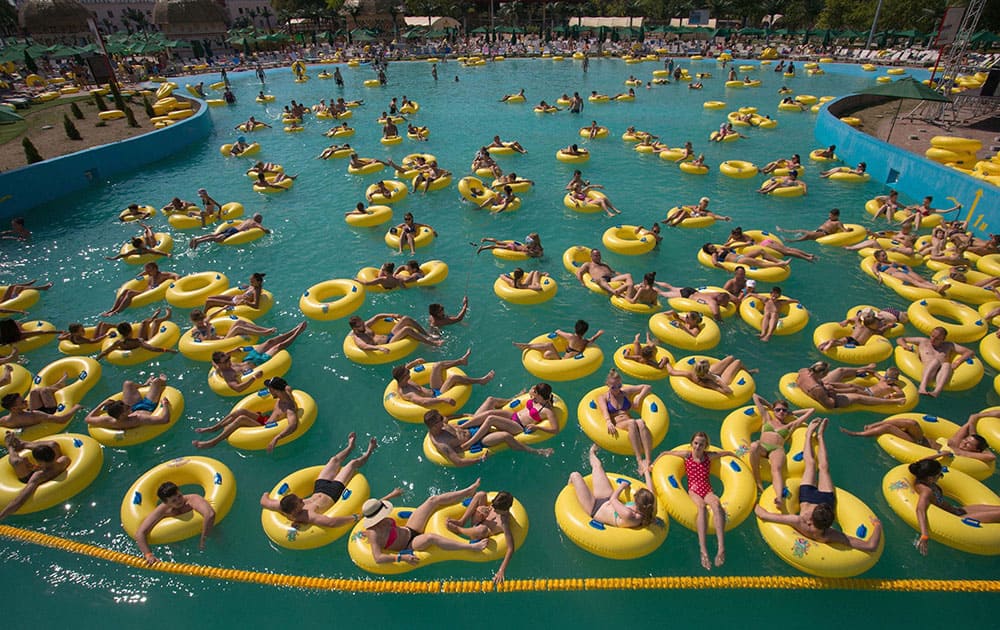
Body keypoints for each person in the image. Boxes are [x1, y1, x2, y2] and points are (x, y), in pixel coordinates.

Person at [754, 419, 883, 551]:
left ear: (812, 522)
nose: (806, 517)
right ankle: (818, 436)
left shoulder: (800, 522)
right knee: (823, 467)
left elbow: (764, 514)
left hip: (808, 497)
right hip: (826, 499)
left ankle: (810, 434)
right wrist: (877, 525)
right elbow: (870, 546)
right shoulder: (830, 535)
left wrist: (754, 500)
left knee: (810, 463)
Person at [260, 432, 376, 530]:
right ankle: (369, 451)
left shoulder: (282, 506)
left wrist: (266, 493)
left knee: (334, 460)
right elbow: (331, 523)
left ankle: (350, 447)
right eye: (299, 502)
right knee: (352, 464)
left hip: (319, 487)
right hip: (333, 492)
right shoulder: (308, 515)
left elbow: (264, 501)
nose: (302, 499)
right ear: (295, 510)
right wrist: (355, 517)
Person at [656, 432, 739, 569]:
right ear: (691, 443)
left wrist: (735, 456)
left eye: (701, 444)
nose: (698, 446)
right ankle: (703, 550)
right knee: (701, 507)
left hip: (707, 489)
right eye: (695, 443)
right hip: (694, 490)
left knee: (716, 504)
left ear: (705, 446)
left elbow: (725, 453)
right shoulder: (687, 455)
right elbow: (665, 453)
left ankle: (721, 547)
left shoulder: (709, 456)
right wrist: (652, 465)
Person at [360, 479, 489, 566]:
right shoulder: (373, 534)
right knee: (431, 538)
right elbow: (378, 558)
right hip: (409, 544)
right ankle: (470, 547)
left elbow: (376, 505)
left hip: (409, 529)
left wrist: (391, 495)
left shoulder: (377, 515)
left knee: (432, 500)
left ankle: (468, 491)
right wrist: (400, 558)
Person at [908, 456, 1000, 555]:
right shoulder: (926, 491)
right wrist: (924, 535)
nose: (941, 476)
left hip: (957, 510)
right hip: (957, 518)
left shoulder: (923, 478)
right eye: (939, 474)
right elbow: (920, 510)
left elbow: (920, 462)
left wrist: (940, 454)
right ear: (930, 478)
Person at [842, 411, 995, 465]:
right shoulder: (955, 442)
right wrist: (975, 432)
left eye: (968, 444)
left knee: (889, 429)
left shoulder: (964, 453)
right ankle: (874, 424)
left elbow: (990, 456)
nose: (964, 442)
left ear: (976, 450)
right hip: (921, 439)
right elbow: (972, 418)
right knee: (912, 422)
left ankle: (858, 434)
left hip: (918, 447)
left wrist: (975, 449)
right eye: (966, 440)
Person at [193, 376, 298, 453]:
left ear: (275, 390)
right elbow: (287, 386)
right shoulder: (286, 390)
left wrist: (277, 438)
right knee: (240, 411)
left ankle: (213, 442)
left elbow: (293, 425)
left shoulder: (288, 408)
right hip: (266, 420)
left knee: (241, 418)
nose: (268, 391)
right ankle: (214, 428)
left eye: (270, 389)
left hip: (266, 428)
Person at [747, 394, 814, 508]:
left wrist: (793, 413)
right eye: (778, 410)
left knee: (776, 470)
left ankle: (779, 498)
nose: (781, 412)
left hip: (777, 450)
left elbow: (811, 410)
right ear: (774, 410)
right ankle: (758, 481)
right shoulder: (767, 418)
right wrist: (769, 405)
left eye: (784, 410)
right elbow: (755, 396)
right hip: (762, 446)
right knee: (754, 446)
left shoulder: (790, 425)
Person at [570, 444, 657, 530]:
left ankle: (568, 491)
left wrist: (622, 486)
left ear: (638, 503)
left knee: (575, 475)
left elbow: (613, 499)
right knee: (597, 466)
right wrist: (645, 470)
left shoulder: (630, 515)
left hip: (595, 508)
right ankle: (591, 453)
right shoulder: (648, 507)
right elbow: (650, 489)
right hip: (606, 499)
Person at [133, 481, 216, 564]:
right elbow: (140, 533)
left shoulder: (193, 500)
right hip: (178, 541)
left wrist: (204, 539)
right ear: (166, 503)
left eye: (179, 496)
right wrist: (148, 554)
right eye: (173, 501)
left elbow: (210, 515)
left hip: (204, 531)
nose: (179, 501)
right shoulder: (163, 510)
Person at [446, 490, 517, 584]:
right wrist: (483, 511)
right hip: (478, 522)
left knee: (482, 529)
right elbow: (489, 508)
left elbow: (510, 548)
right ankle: (461, 522)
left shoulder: (504, 523)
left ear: (504, 509)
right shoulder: (495, 506)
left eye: (496, 508)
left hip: (478, 534)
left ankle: (458, 529)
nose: (493, 508)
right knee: (481, 494)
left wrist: (501, 570)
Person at [0, 433, 71, 521]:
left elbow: (20, 500)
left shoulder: (39, 476)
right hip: (49, 468)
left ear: (40, 462)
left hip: (30, 478)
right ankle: (23, 444)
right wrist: (39, 467)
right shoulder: (64, 460)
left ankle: (10, 447)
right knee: (53, 444)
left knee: (16, 462)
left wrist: (1, 515)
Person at [598, 369, 655, 474]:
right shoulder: (604, 397)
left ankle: (648, 459)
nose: (617, 389)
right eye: (613, 387)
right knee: (633, 422)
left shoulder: (625, 392)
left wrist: (639, 398)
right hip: (619, 424)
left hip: (629, 421)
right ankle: (639, 461)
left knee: (641, 422)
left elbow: (647, 387)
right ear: (607, 385)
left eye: (619, 386)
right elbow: (604, 411)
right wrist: (608, 421)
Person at [392, 350, 495, 408]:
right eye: (407, 375)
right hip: (436, 398)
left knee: (437, 365)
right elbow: (423, 402)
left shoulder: (401, 379)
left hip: (433, 391)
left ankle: (461, 361)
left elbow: (406, 368)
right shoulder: (407, 393)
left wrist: (414, 362)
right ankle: (481, 381)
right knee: (453, 377)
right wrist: (444, 399)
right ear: (402, 378)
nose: (410, 375)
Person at [897, 327, 975, 397]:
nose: (933, 340)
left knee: (947, 364)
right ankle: (922, 387)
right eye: (932, 336)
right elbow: (900, 339)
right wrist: (905, 346)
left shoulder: (949, 345)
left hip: (942, 374)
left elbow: (969, 352)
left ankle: (936, 392)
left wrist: (958, 362)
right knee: (935, 361)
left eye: (937, 338)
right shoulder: (923, 341)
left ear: (943, 339)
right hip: (928, 371)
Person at [795, 361, 906, 408]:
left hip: (818, 384)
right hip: (824, 394)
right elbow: (830, 405)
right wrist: (832, 392)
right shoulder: (817, 389)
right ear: (822, 374)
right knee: (857, 396)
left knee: (840, 370)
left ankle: (865, 368)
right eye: (827, 372)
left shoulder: (804, 371)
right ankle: (892, 402)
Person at [84, 374, 172, 430]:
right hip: (147, 407)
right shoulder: (138, 419)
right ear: (122, 414)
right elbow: (164, 420)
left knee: (127, 384)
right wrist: (165, 405)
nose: (128, 406)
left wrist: (102, 404)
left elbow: (87, 419)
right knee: (157, 381)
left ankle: (145, 385)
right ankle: (163, 382)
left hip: (134, 410)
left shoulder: (109, 420)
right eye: (126, 407)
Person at [0, 373, 81, 430]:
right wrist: (76, 408)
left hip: (28, 415)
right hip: (48, 412)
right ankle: (59, 386)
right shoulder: (35, 415)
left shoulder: (5, 420)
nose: (26, 401)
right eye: (22, 402)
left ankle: (57, 386)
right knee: (44, 391)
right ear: (14, 408)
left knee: (34, 392)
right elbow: (62, 420)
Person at [95, 316, 178, 361]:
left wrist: (97, 358)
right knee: (155, 322)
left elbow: (105, 352)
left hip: (131, 346)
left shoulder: (118, 343)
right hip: (149, 341)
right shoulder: (138, 341)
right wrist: (168, 350)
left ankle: (153, 317)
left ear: (120, 333)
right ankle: (165, 316)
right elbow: (152, 348)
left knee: (144, 323)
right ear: (131, 331)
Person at [348, 313, 442, 352]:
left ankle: (427, 334)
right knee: (406, 329)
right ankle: (433, 343)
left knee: (406, 319)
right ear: (355, 328)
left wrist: (393, 315)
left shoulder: (365, 326)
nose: (363, 325)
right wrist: (379, 348)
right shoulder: (357, 338)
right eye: (360, 325)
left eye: (362, 322)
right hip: (388, 343)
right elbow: (364, 346)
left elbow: (377, 316)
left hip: (389, 336)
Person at [871, 249, 949, 296]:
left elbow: (904, 265)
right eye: (883, 256)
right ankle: (936, 288)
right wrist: (878, 275)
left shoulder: (892, 262)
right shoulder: (879, 263)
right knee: (915, 282)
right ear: (878, 258)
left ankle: (937, 287)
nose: (885, 257)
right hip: (896, 274)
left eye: (885, 255)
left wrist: (910, 271)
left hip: (903, 272)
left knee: (922, 280)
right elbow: (874, 268)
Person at [667, 356, 755, 396]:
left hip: (707, 375)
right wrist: (716, 378)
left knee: (731, 358)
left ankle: (746, 371)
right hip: (722, 380)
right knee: (738, 361)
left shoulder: (691, 374)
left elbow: (672, 372)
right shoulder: (709, 382)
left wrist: (666, 362)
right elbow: (729, 391)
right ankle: (749, 372)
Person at [513, 319, 603, 359]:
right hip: (569, 362)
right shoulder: (584, 342)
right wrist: (598, 334)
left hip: (562, 361)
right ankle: (527, 346)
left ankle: (527, 346)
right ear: (585, 332)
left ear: (575, 328)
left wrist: (559, 333)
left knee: (549, 345)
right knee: (548, 353)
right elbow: (592, 340)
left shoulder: (571, 337)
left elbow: (558, 331)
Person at [817, 307, 892, 352]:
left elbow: (856, 319)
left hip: (850, 338)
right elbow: (882, 330)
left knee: (840, 342)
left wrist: (858, 316)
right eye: (877, 324)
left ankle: (830, 342)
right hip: (856, 343)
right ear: (872, 325)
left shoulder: (859, 326)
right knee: (840, 344)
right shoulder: (873, 331)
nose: (878, 325)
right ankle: (832, 342)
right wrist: (888, 326)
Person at [724, 227, 816, 262]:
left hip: (765, 245)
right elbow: (730, 237)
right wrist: (730, 240)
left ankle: (807, 258)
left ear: (737, 235)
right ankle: (809, 254)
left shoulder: (742, 239)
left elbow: (748, 244)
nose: (732, 237)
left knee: (787, 252)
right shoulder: (743, 235)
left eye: (734, 236)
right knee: (788, 248)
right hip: (767, 241)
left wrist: (733, 243)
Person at [188, 308, 273, 342]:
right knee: (238, 328)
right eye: (197, 321)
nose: (200, 322)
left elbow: (211, 315)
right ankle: (263, 334)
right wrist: (207, 328)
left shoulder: (204, 322)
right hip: (221, 342)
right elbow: (207, 340)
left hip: (223, 337)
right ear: (193, 321)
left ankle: (264, 329)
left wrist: (223, 308)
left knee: (239, 322)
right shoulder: (196, 331)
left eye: (201, 319)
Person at [656, 283, 733, 320]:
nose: (726, 304)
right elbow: (716, 314)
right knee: (662, 293)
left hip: (692, 291)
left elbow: (725, 294)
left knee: (671, 287)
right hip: (687, 296)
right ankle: (653, 288)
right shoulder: (712, 302)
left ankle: (655, 282)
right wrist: (721, 323)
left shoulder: (716, 294)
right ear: (719, 301)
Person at [189, 214, 269, 250]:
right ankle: (198, 241)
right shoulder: (256, 223)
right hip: (235, 231)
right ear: (259, 220)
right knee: (217, 239)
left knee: (215, 234)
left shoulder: (248, 220)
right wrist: (268, 232)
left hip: (232, 227)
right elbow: (263, 229)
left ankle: (197, 238)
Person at [777, 208, 846, 242]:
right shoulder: (830, 219)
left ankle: (791, 240)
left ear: (837, 216)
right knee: (801, 230)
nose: (829, 216)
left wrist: (847, 230)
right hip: (818, 231)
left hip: (824, 234)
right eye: (829, 215)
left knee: (808, 235)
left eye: (831, 216)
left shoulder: (838, 223)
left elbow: (844, 231)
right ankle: (783, 230)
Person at [702, 243, 790, 269]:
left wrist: (746, 244)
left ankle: (777, 261)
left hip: (741, 256)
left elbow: (732, 247)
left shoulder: (720, 248)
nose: (713, 248)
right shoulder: (714, 254)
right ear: (709, 251)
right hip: (738, 260)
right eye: (711, 248)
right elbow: (715, 263)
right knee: (757, 262)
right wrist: (725, 268)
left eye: (712, 246)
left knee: (760, 251)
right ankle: (780, 264)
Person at [665, 197, 730, 226]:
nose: (705, 206)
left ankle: (674, 224)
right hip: (687, 216)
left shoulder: (706, 212)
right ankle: (668, 220)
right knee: (682, 210)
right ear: (700, 203)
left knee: (684, 212)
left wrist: (724, 218)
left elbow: (715, 216)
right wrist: (680, 207)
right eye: (704, 204)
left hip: (693, 220)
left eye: (706, 205)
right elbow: (685, 206)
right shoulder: (694, 207)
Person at [477, 232, 542, 257]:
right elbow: (530, 253)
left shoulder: (530, 244)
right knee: (495, 246)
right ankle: (482, 248)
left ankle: (486, 239)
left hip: (514, 244)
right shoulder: (535, 246)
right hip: (512, 247)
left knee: (497, 242)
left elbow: (529, 250)